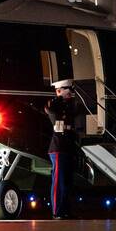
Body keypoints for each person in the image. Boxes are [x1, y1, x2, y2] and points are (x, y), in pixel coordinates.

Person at [45, 78, 80, 219]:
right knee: (58, 181)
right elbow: (50, 109)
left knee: (68, 181)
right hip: (58, 146)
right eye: (68, 90)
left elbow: (78, 109)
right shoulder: (54, 105)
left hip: (68, 145)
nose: (70, 93)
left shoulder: (70, 105)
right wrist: (59, 96)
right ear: (59, 91)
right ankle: (57, 211)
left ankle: (66, 210)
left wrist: (68, 98)